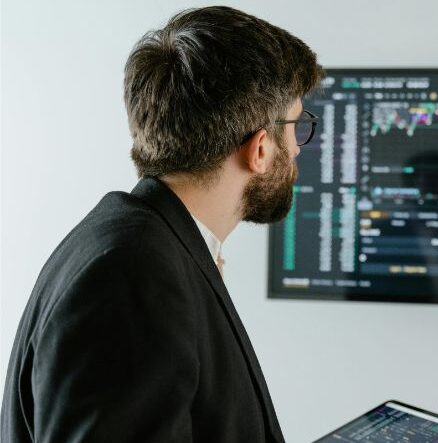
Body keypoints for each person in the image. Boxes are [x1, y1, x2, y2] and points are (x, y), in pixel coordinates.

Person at [1, 6, 323, 442]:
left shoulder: (147, 246)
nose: (299, 147)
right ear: (260, 148)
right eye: (295, 125)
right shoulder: (131, 276)